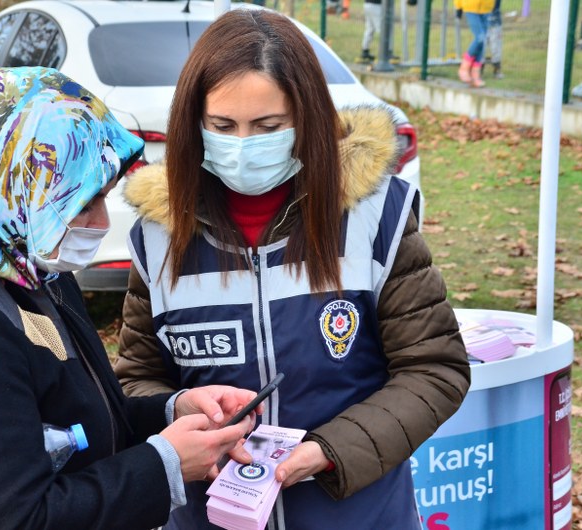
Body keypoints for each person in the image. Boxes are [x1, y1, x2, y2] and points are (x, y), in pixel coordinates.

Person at [0, 67, 260, 529]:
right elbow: (16, 519)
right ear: (9, 183)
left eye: (104, 197)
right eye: (81, 202)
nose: (100, 223)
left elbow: (77, 424)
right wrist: (165, 465)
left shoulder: (31, 271)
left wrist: (172, 411)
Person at [114, 8, 470, 529]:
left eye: (268, 126)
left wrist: (331, 451)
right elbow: (135, 381)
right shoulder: (159, 235)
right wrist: (179, 407)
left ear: (305, 119)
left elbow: (434, 369)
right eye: (222, 126)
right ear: (195, 123)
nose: (241, 145)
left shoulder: (376, 216)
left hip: (358, 515)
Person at [455, 0, 495, 87]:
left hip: (487, 7)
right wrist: (458, 6)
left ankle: (475, 74)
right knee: (480, 38)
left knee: (483, 40)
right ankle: (464, 67)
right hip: (470, 6)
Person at [485, 0, 503, 78]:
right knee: (481, 45)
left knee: (495, 46)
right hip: (482, 20)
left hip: (494, 21)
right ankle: (478, 68)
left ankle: (496, 69)